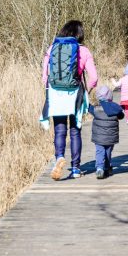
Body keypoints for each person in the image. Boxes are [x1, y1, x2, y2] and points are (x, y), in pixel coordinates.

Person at [40, 20, 98, 180]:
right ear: (80, 34)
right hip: (75, 94)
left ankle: (59, 157)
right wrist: (87, 91)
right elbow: (94, 77)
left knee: (59, 130)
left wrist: (51, 90)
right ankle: (76, 169)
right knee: (75, 131)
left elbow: (45, 77)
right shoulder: (84, 51)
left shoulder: (52, 48)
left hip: (56, 93)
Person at [89, 85, 124, 179]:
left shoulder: (96, 109)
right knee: (108, 151)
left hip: (99, 137)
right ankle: (107, 167)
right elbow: (121, 116)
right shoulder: (115, 108)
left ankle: (100, 168)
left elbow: (88, 108)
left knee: (100, 151)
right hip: (111, 136)